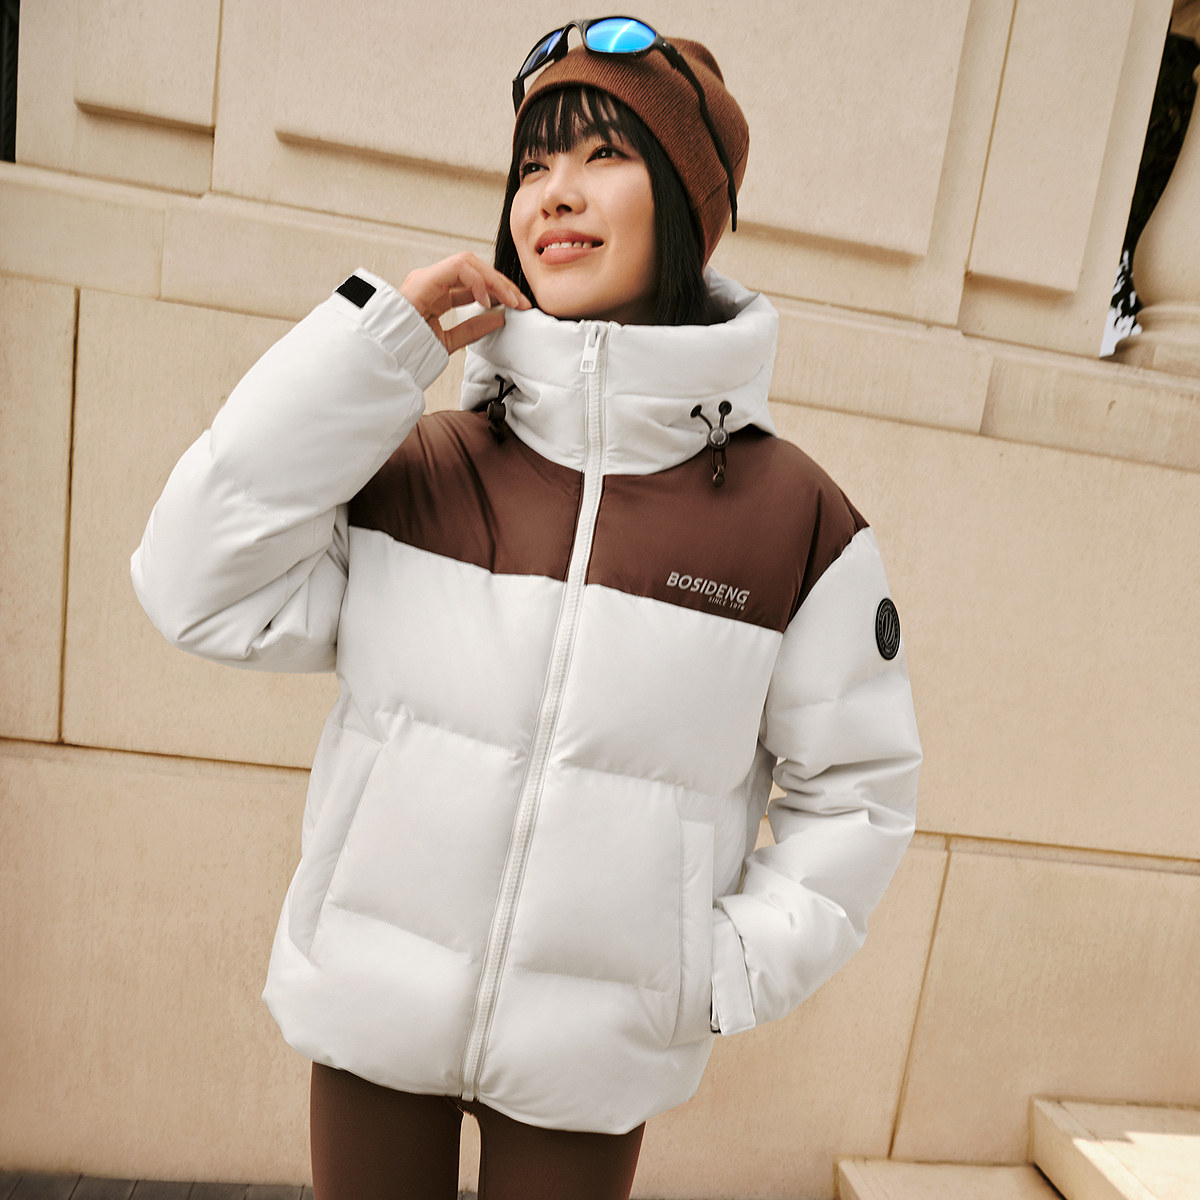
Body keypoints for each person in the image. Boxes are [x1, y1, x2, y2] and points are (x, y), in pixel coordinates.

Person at [131, 18, 921, 1200]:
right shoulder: (424, 465)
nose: (556, 192)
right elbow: (193, 583)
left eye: (604, 154)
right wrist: (375, 348)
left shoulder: (791, 519)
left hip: (593, 1057)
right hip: (374, 1009)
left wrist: (717, 971)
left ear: (687, 206)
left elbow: (858, 789)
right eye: (534, 163)